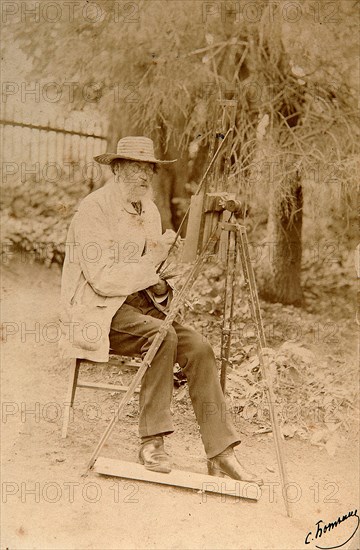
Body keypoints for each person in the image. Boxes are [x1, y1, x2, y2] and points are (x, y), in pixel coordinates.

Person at [60, 136, 262, 484]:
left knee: (198, 347)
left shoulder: (148, 210)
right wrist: (152, 263)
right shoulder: (94, 210)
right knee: (161, 335)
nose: (144, 177)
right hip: (97, 310)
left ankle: (221, 452)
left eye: (149, 170)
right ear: (118, 168)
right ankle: (151, 443)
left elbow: (151, 280)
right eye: (136, 168)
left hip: (139, 307)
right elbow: (102, 279)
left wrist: (160, 279)